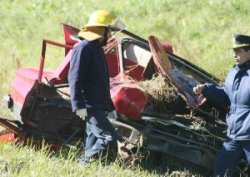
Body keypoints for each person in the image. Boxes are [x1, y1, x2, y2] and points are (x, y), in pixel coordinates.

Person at [69, 10, 123, 164]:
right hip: (89, 105)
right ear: (101, 30)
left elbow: (101, 83)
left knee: (92, 139)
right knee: (108, 137)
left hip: (98, 104)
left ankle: (87, 170)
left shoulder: (96, 48)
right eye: (109, 32)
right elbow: (74, 78)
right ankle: (84, 167)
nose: (110, 36)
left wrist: (110, 107)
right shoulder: (84, 47)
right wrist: (78, 105)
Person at [193, 34, 250, 176]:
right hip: (235, 136)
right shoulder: (234, 72)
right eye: (233, 51)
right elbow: (226, 96)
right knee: (221, 169)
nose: (234, 55)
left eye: (238, 51)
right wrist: (206, 89)